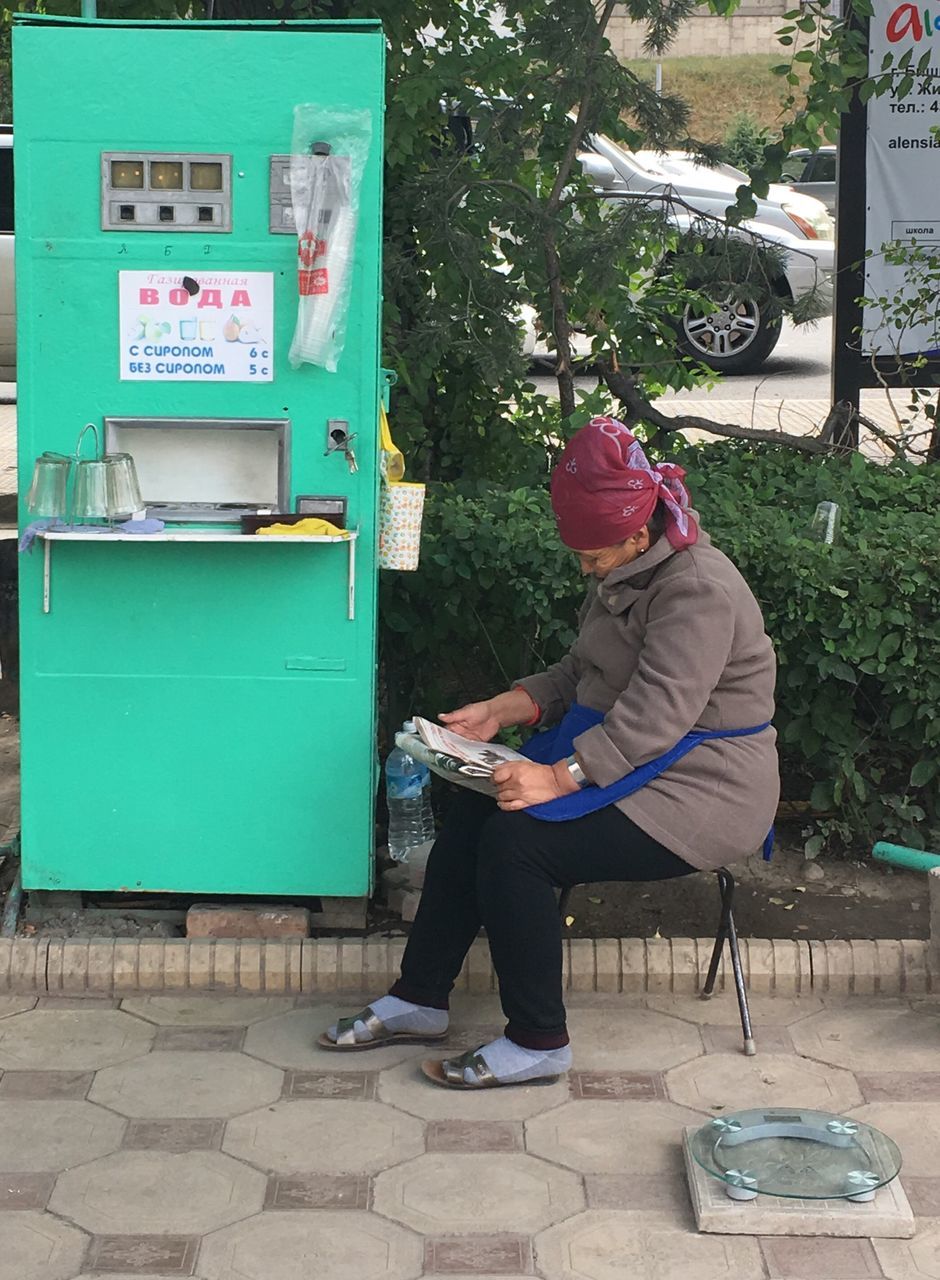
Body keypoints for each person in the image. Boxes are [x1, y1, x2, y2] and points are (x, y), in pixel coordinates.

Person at [320, 415, 779, 1089]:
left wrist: (559, 778)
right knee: (479, 811)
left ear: (639, 531)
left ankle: (539, 1041)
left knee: (518, 845)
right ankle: (420, 996)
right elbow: (578, 673)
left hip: (701, 788)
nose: (586, 570)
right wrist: (499, 710)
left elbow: (656, 717)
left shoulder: (697, 591)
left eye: (595, 558)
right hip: (625, 758)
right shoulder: (628, 568)